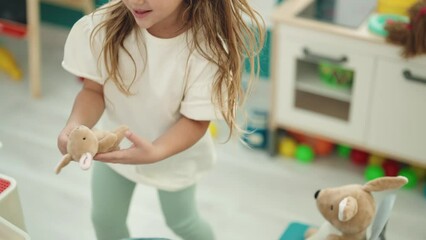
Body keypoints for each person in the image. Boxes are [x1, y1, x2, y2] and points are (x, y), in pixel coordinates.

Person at [57, 0, 264, 239]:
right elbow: (94, 91)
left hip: (176, 156)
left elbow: (196, 121)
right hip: (115, 149)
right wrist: (74, 127)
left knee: (183, 222)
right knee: (104, 220)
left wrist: (156, 151)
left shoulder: (206, 49)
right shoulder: (105, 27)